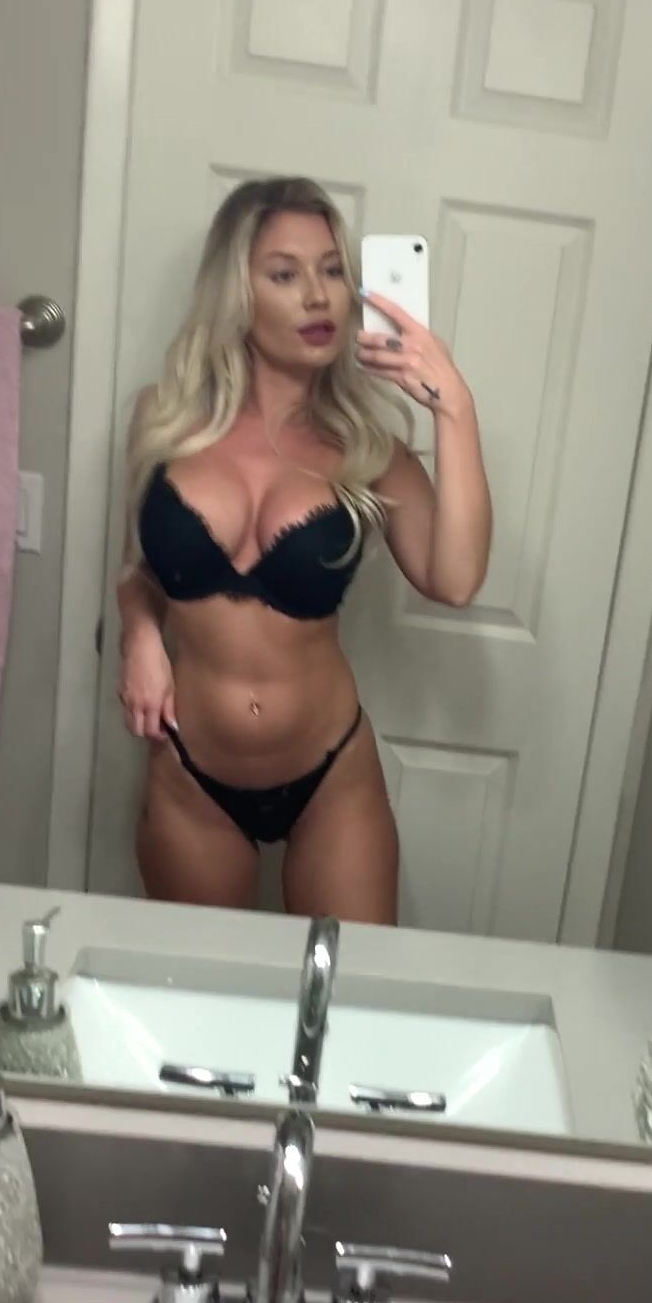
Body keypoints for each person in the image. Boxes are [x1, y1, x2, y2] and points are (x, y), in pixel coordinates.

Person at [116, 176, 492, 924]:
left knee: (349, 985)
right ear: (237, 290)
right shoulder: (165, 419)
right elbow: (141, 572)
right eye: (285, 274)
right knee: (205, 987)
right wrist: (140, 637)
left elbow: (454, 580)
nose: (318, 296)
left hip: (331, 777)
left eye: (332, 271)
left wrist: (455, 407)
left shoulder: (370, 449)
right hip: (191, 777)